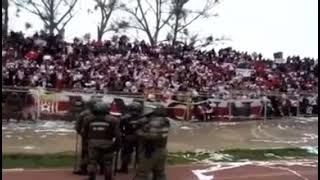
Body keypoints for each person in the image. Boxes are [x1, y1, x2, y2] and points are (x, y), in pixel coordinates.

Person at [82, 101, 121, 180]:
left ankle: (91, 178)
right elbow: (117, 135)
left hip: (93, 143)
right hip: (108, 143)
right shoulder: (113, 120)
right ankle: (108, 178)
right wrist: (117, 145)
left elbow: (84, 133)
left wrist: (85, 143)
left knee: (92, 162)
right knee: (108, 163)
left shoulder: (88, 119)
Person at [133, 105, 170, 180]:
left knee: (142, 174)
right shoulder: (166, 121)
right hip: (162, 150)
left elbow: (152, 136)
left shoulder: (156, 122)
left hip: (151, 151)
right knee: (160, 173)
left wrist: (139, 132)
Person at [118, 100, 144, 173]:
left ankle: (124, 168)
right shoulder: (143, 118)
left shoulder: (124, 117)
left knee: (126, 153)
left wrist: (123, 135)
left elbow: (120, 128)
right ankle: (141, 169)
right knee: (140, 153)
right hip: (140, 137)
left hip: (128, 137)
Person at [73, 98, 95, 175]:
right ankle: (102, 169)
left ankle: (83, 169)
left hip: (86, 137)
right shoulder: (105, 113)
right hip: (101, 137)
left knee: (85, 152)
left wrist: (81, 133)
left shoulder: (83, 114)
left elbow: (77, 127)